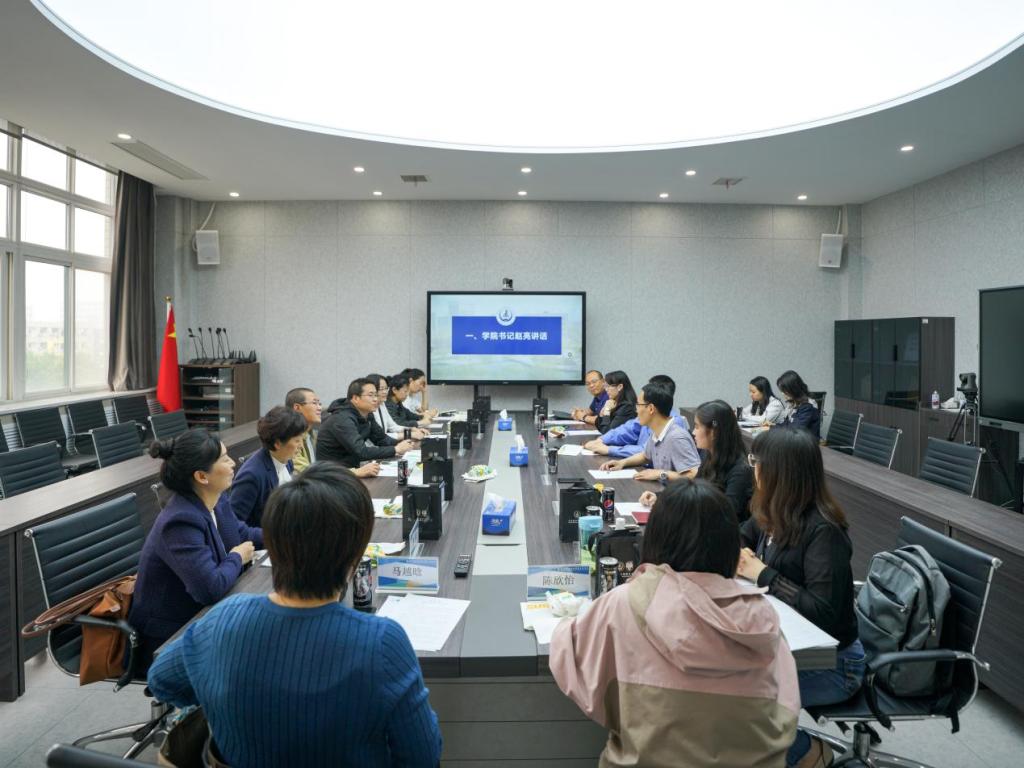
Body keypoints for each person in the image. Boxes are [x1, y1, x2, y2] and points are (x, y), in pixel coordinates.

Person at [148, 463, 443, 768]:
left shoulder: (222, 619)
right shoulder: (382, 642)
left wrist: (228, 699)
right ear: (356, 554)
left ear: (273, 545)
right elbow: (422, 757)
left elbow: (162, 681)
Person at [550, 479, 799, 767]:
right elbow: (786, 707)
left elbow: (569, 653)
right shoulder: (763, 617)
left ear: (653, 540)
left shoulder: (626, 601)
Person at [737, 427, 863, 768]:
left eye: (756, 461)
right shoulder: (774, 509)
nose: (753, 468)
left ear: (780, 472)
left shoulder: (824, 531)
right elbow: (741, 536)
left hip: (836, 665)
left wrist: (762, 573)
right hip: (789, 645)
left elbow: (823, 613)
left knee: (735, 701)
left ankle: (809, 753)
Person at [128, 430, 261, 670]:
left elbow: (243, 534)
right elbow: (209, 589)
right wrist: (236, 557)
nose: (233, 463)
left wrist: (288, 534)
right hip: (170, 635)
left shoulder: (217, 499)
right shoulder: (179, 521)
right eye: (224, 459)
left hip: (205, 614)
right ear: (201, 476)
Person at [640, 399, 753, 521]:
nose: (693, 432)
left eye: (697, 427)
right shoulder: (708, 455)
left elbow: (727, 514)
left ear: (714, 432)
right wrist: (660, 497)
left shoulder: (740, 470)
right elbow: (692, 488)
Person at [599, 381, 701, 484]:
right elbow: (645, 456)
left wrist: (660, 474)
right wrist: (622, 463)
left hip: (676, 493)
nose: (636, 410)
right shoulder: (657, 430)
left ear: (651, 409)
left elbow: (693, 475)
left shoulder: (676, 437)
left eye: (638, 404)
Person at [229, 406, 308, 527]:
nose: (301, 446)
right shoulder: (251, 475)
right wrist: (274, 534)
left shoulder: (286, 460)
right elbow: (233, 525)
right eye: (297, 441)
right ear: (278, 443)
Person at [317, 378, 416, 469]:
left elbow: (382, 439)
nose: (375, 399)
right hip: (333, 472)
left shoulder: (367, 414)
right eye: (370, 395)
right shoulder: (342, 419)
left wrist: (404, 444)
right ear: (356, 398)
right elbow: (361, 451)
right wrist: (396, 449)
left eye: (376, 395)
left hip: (353, 468)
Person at [585, 374, 686, 457]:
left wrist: (609, 449)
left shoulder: (673, 423)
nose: (637, 409)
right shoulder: (648, 414)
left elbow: (647, 451)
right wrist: (601, 440)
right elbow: (628, 430)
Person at [368, 373, 429, 440]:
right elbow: (381, 436)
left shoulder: (382, 405)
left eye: (386, 388)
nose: (385, 392)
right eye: (381, 389)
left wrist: (411, 429)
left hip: (385, 443)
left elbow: (393, 426)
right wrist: (410, 434)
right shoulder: (370, 409)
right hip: (380, 444)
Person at [776, 370, 821, 440]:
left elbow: (795, 429)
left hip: (806, 443)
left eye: (784, 391)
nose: (782, 393)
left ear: (793, 389)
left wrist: (772, 428)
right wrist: (770, 427)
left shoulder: (808, 405)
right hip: (794, 441)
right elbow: (786, 424)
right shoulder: (793, 403)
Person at [285, 387, 321, 473]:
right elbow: (306, 472)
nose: (319, 408)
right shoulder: (288, 436)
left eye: (319, 403)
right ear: (297, 408)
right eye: (314, 403)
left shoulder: (313, 434)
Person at [595, 370, 637, 434]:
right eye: (605, 386)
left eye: (608, 386)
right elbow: (600, 428)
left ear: (619, 387)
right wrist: (601, 415)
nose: (606, 390)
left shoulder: (627, 407)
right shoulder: (614, 403)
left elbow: (607, 433)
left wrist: (607, 412)